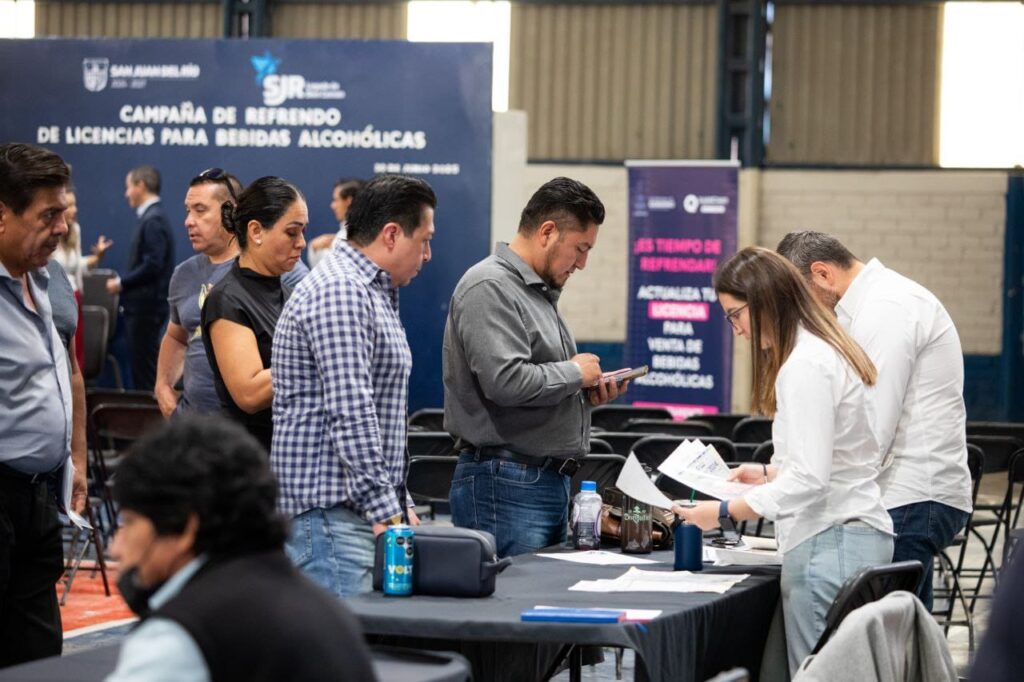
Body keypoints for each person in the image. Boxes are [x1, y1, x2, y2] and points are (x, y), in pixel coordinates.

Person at [673, 246, 894, 673]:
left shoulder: (805, 365)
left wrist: (723, 511)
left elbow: (811, 480)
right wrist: (769, 474)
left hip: (831, 541)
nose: (736, 329)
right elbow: (840, 459)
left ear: (765, 301)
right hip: (848, 535)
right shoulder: (825, 350)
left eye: (735, 315)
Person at [776, 231, 972, 610]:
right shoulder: (874, 304)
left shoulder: (887, 307)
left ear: (822, 274)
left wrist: (808, 481)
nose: (800, 311)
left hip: (909, 494)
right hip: (903, 494)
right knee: (900, 633)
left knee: (883, 634)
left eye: (799, 296)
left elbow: (872, 430)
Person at [105, 416, 377, 682]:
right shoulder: (326, 609)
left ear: (185, 528)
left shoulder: (179, 637)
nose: (115, 547)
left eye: (130, 522)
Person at [444, 176, 625, 559]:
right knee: (510, 596)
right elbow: (505, 382)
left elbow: (532, 386)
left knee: (538, 594)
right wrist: (574, 373)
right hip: (506, 484)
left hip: (537, 482)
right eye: (580, 248)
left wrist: (583, 396)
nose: (583, 263)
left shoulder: (536, 293)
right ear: (547, 232)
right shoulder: (489, 286)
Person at [272, 174, 434, 597]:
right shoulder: (341, 291)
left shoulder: (368, 291)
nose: (428, 254)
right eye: (424, 241)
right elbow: (352, 414)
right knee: (343, 640)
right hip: (333, 521)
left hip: (350, 515)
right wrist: (387, 512)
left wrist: (399, 503)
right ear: (392, 235)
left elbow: (377, 413)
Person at [0, 142, 86, 666]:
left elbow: (68, 370)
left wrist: (75, 458)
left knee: (38, 657)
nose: (62, 227)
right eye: (48, 215)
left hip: (38, 499)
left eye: (64, 213)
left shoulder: (48, 276)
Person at [200, 177, 307, 454]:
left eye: (303, 232)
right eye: (292, 233)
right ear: (256, 231)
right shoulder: (227, 299)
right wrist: (317, 355)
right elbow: (249, 393)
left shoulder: (291, 295)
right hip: (250, 459)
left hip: (291, 454)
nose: (302, 243)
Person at [154, 168, 243, 419]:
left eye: (200, 210)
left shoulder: (265, 271)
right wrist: (163, 389)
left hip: (244, 430)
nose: (189, 221)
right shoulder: (184, 274)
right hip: (190, 425)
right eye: (188, 210)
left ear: (231, 212)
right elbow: (176, 336)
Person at [106, 165, 175, 392]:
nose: (126, 194)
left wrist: (121, 283)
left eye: (128, 187)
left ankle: (148, 414)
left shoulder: (153, 220)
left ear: (140, 186)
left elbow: (153, 264)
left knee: (144, 375)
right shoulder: (153, 217)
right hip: (146, 308)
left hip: (145, 310)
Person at [49, 187, 112, 292]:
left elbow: (77, 266)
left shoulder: (75, 230)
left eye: (74, 205)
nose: (75, 210)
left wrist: (98, 257)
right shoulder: (47, 234)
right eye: (69, 205)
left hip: (74, 294)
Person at [307, 177, 363, 269]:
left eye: (336, 200)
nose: (332, 205)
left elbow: (328, 271)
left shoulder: (345, 238)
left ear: (349, 201)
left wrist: (314, 248)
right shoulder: (344, 236)